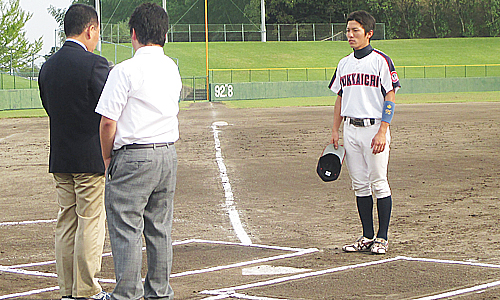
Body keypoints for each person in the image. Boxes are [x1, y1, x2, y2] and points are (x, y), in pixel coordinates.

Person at [95, 3, 182, 300]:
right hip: (167, 154)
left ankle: (127, 295)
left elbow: (108, 122)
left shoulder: (125, 70)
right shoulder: (172, 67)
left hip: (133, 156)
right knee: (159, 228)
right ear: (165, 34)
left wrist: (107, 157)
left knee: (126, 227)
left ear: (134, 33)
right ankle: (159, 292)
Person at [38, 4, 110, 300]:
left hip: (61, 157)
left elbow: (48, 107)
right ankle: (88, 291)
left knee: (66, 221)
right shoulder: (95, 64)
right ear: (89, 29)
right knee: (90, 222)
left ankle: (68, 291)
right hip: (90, 158)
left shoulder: (47, 67)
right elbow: (110, 109)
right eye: (96, 32)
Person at [328, 10, 401, 255]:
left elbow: (390, 97)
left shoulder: (381, 61)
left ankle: (382, 237)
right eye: (348, 30)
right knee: (359, 185)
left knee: (379, 183)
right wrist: (335, 130)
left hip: (373, 129)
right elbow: (340, 98)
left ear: (369, 33)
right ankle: (367, 235)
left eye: (355, 30)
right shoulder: (344, 64)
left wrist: (383, 130)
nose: (350, 35)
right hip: (350, 129)